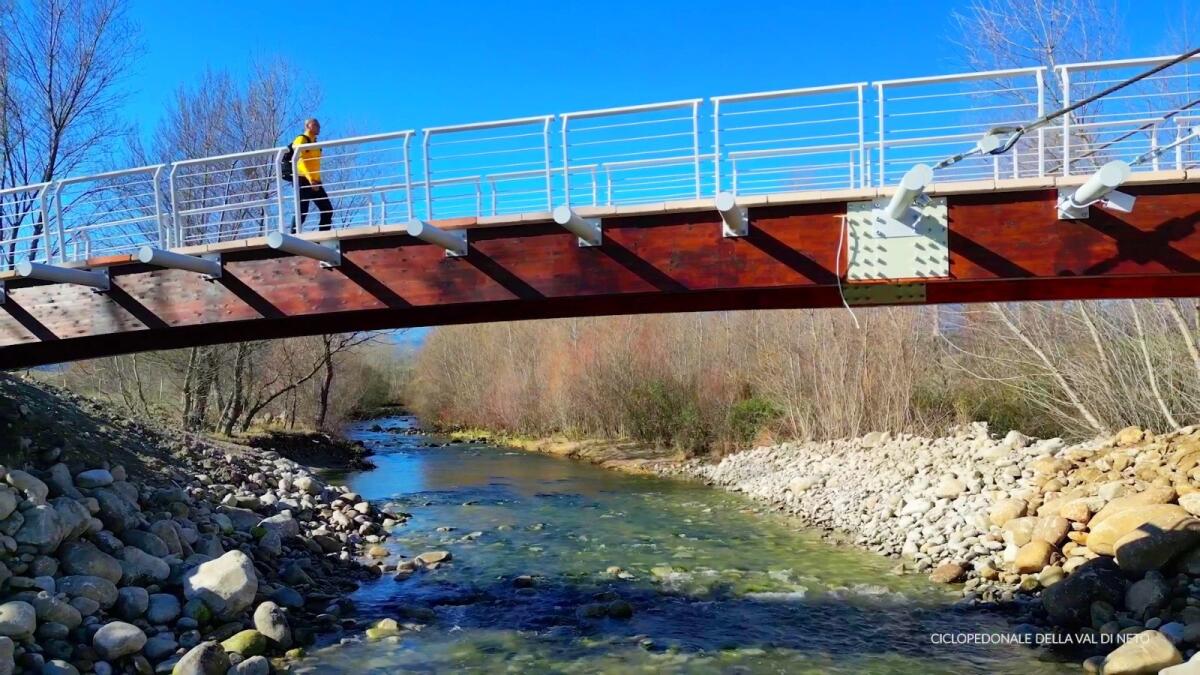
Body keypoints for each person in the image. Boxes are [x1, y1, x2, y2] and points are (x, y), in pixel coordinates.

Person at [293, 118, 333, 232]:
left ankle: (323, 235)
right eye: (315, 124)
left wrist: (317, 180)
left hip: (316, 181)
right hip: (303, 179)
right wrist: (310, 179)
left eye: (319, 125)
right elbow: (299, 161)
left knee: (327, 209)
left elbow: (315, 164)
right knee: (302, 210)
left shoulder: (316, 143)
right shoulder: (301, 139)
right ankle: (293, 235)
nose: (318, 127)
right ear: (308, 126)